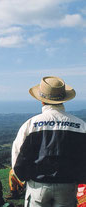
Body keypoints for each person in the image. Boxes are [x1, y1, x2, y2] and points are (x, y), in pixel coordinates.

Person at [11, 76, 86, 207]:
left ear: (42, 101)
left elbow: (17, 156)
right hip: (68, 185)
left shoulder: (31, 124)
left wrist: (24, 178)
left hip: (38, 186)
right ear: (64, 99)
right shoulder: (81, 125)